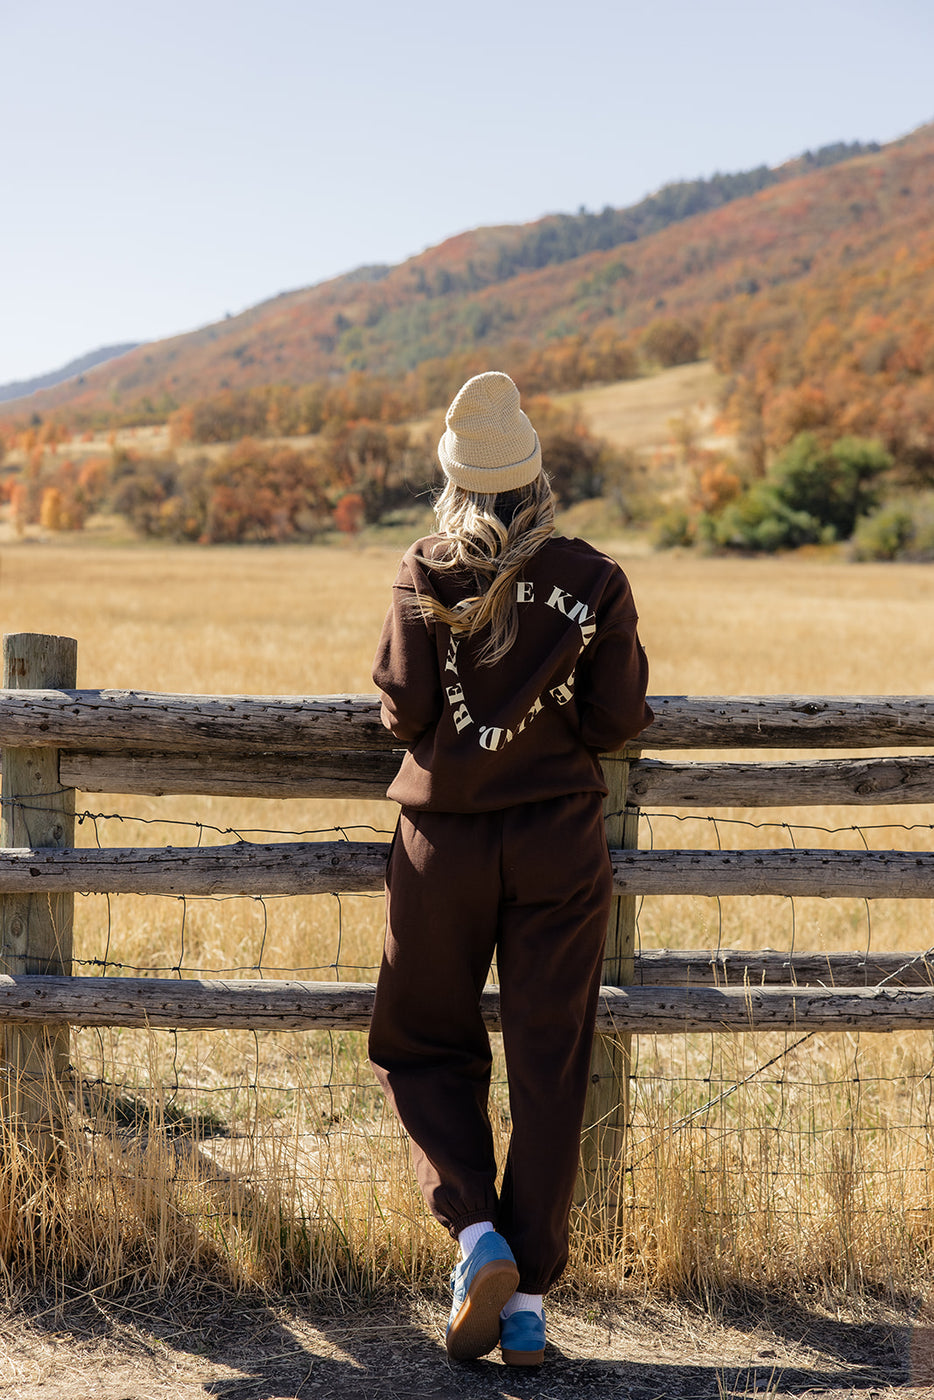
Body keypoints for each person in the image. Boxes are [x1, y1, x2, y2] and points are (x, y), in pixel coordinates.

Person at [368, 371, 653, 1367]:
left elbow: (404, 708)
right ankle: (526, 1299)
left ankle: (473, 1233)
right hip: (559, 840)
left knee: (421, 1040)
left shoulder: (421, 567)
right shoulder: (593, 576)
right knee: (548, 1060)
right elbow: (617, 718)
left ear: (454, 487)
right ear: (535, 483)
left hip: (442, 838)